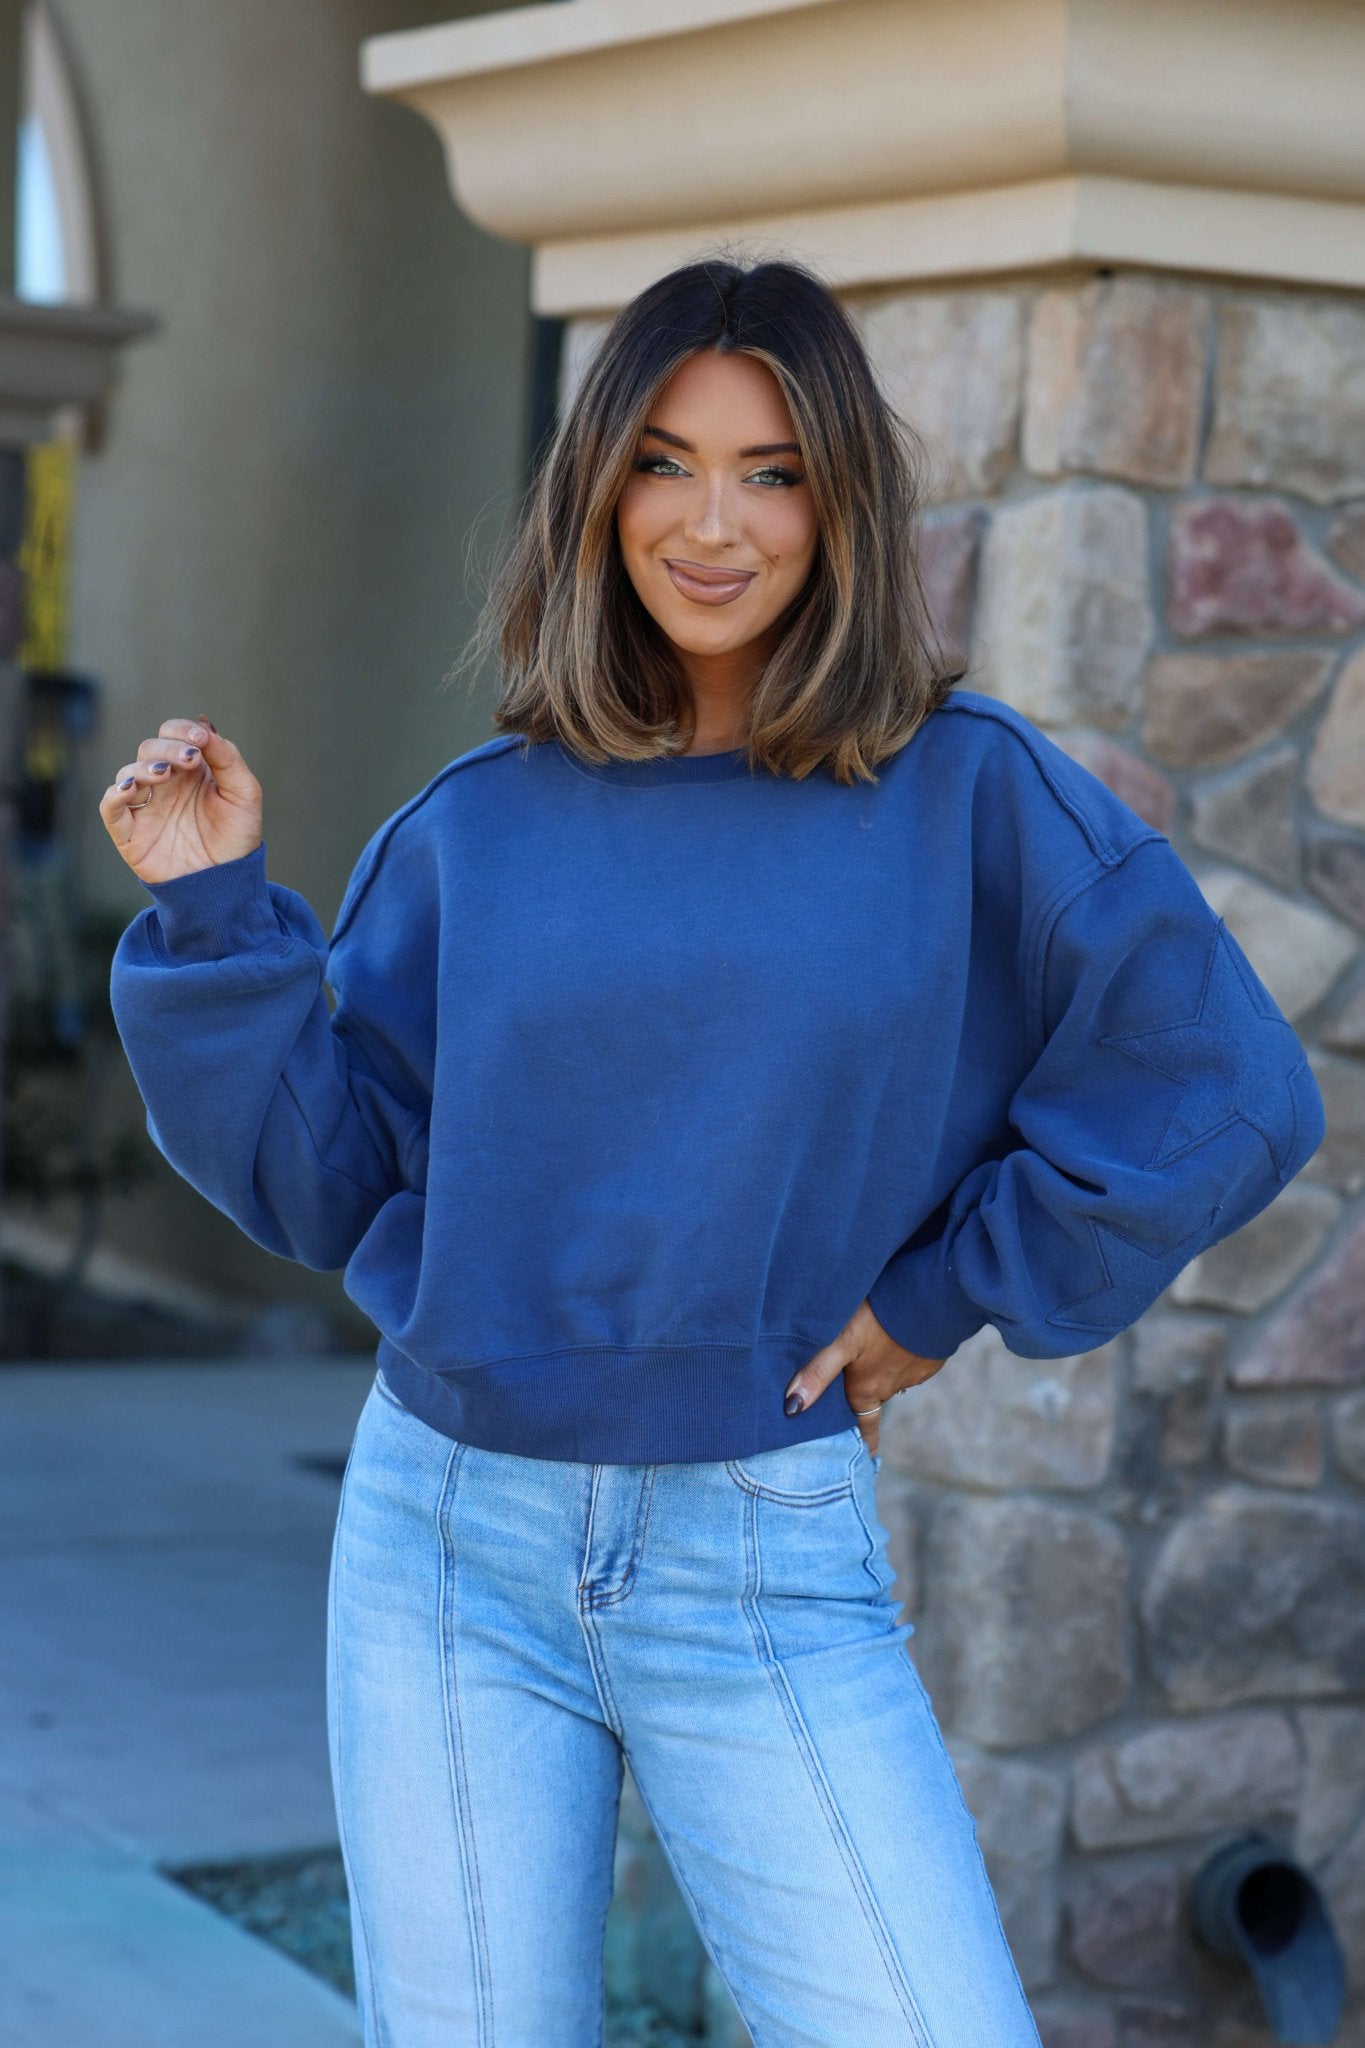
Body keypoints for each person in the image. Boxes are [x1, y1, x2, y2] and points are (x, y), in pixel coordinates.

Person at [101, 255, 1324, 2048]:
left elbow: (1223, 1082)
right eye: (664, 461)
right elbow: (328, 1175)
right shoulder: (476, 829)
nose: (712, 523)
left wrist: (947, 1291)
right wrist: (212, 913)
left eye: (772, 471)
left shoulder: (968, 794)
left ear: (841, 501)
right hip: (446, 1543)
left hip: (761, 1553)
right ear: (597, 488)